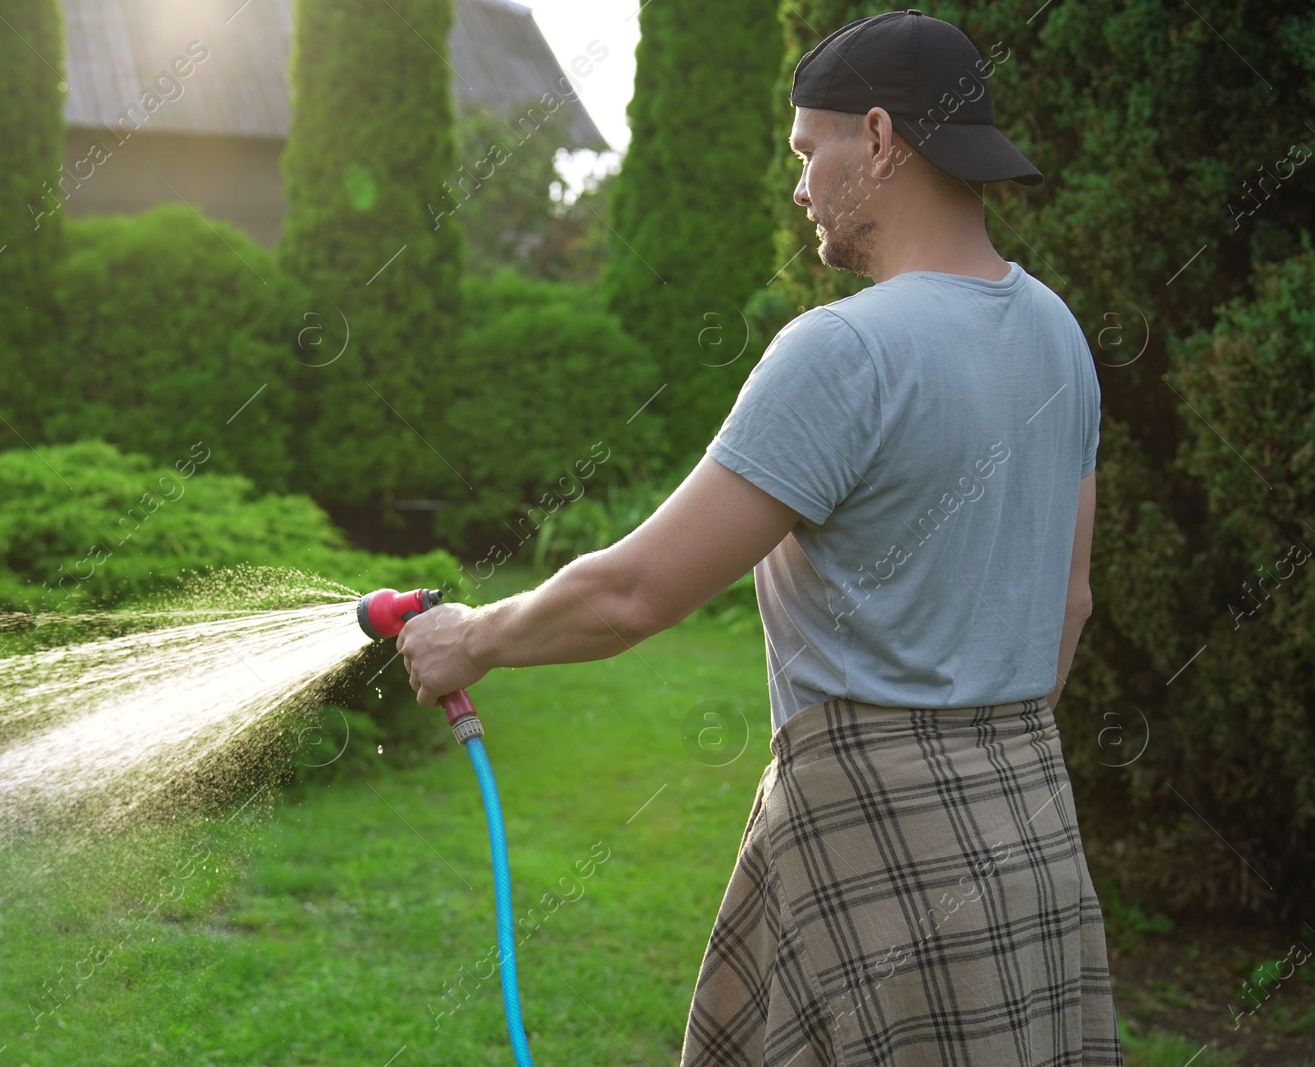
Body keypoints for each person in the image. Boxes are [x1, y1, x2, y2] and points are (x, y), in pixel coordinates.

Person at [397, 9, 1121, 1065]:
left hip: (873, 840)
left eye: (805, 149)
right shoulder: (1059, 332)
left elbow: (634, 592)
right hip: (1030, 825)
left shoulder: (841, 351)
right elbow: (1071, 605)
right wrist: (975, 755)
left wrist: (475, 639)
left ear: (876, 140)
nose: (796, 187)